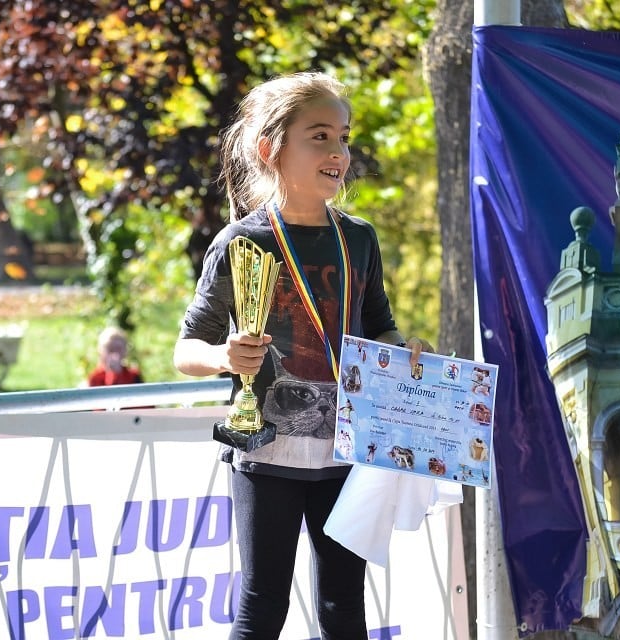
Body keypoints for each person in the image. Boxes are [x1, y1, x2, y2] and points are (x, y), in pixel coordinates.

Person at [172, 72, 434, 640]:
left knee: (345, 609)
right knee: (262, 606)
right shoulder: (243, 242)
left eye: (343, 137)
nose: (339, 151)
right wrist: (225, 357)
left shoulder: (358, 238)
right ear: (271, 150)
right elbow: (185, 350)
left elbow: (379, 328)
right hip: (268, 452)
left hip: (348, 449)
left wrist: (408, 351)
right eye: (320, 136)